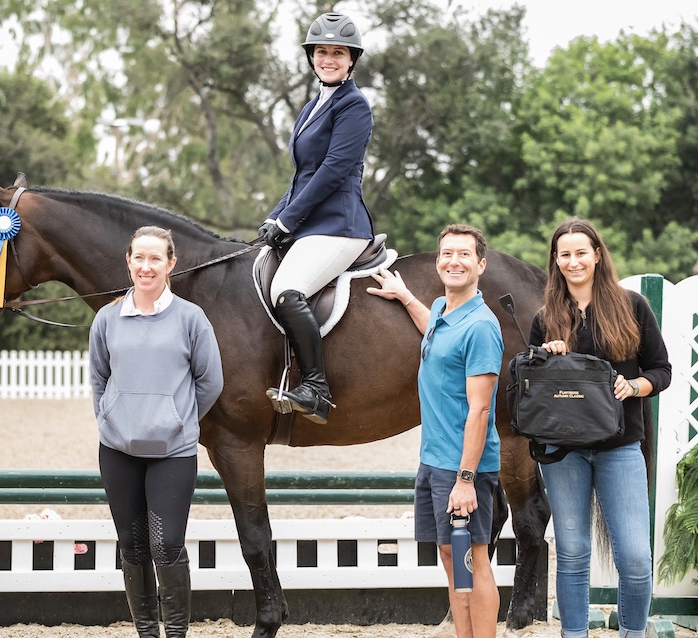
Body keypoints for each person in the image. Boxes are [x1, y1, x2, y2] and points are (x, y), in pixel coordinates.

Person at [531, 218, 671, 638]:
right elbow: (536, 391)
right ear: (555, 261)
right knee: (572, 554)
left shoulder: (632, 306)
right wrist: (547, 356)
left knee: (634, 558)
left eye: (581, 252)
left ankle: (633, 632)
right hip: (563, 451)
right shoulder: (545, 317)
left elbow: (661, 370)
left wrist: (635, 385)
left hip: (621, 447)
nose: (573, 261)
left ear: (596, 255)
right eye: (565, 254)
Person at [367, 224, 503, 638]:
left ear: (480, 264)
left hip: (464, 467)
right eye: (446, 254)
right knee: (450, 553)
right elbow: (436, 333)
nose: (453, 261)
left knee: (471, 560)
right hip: (434, 460)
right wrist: (407, 297)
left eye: (464, 254)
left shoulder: (481, 326)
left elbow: (479, 410)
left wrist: (465, 480)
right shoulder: (444, 309)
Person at [89, 226, 224, 638]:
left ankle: (177, 634)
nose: (146, 267)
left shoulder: (190, 318)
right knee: (132, 547)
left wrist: (179, 420)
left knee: (166, 546)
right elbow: (99, 379)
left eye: (155, 259)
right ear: (128, 261)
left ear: (171, 264)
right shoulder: (107, 318)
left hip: (172, 452)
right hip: (118, 451)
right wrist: (113, 417)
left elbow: (210, 381)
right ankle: (147, 632)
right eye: (139, 258)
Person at [258, 12, 375, 425]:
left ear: (351, 60)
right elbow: (301, 175)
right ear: (312, 57)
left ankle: (316, 388)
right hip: (310, 223)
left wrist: (288, 221)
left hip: (340, 226)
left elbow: (333, 171)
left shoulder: (354, 106)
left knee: (287, 290)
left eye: (337, 53)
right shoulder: (313, 105)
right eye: (322, 51)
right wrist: (275, 217)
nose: (329, 58)